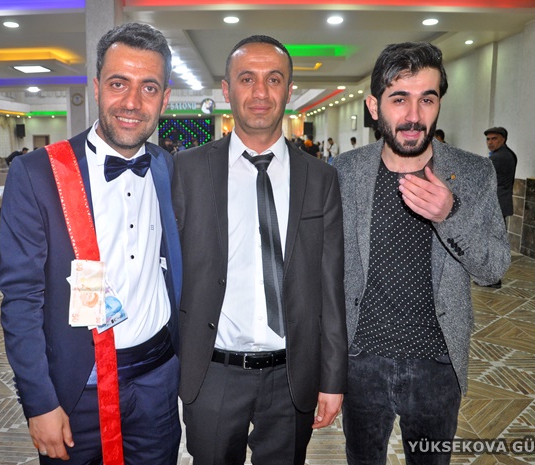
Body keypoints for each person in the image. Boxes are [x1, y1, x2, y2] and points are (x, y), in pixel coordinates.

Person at [0, 22, 182, 465]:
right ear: (97, 87)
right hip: (76, 388)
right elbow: (21, 298)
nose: (132, 102)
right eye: (119, 84)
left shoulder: (168, 168)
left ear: (165, 99)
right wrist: (39, 401)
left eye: (149, 87)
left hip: (157, 382)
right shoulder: (38, 173)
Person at [333, 42, 510, 465]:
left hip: (437, 364)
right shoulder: (344, 172)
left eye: (427, 99)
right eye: (399, 99)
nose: (414, 115)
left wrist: (451, 215)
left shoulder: (472, 173)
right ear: (374, 107)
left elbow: (493, 269)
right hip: (361, 361)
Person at [173, 35, 346, 465]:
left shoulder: (320, 179)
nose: (260, 93)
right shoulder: (187, 170)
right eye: (247, 78)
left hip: (291, 375)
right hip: (212, 373)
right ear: (226, 89)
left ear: (289, 90)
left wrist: (332, 377)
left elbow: (331, 285)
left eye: (274, 79)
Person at [484, 127, 517, 221]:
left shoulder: (497, 157)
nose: (490, 142)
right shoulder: (509, 153)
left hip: (495, 202)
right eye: (488, 139)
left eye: (494, 139)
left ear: (503, 140)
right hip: (502, 201)